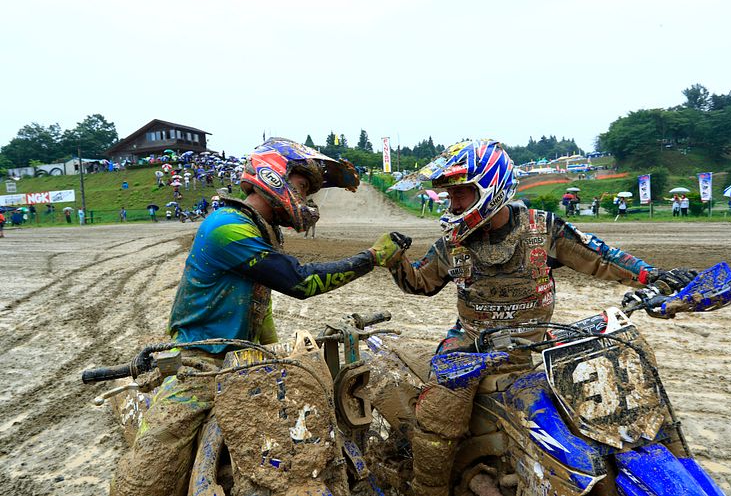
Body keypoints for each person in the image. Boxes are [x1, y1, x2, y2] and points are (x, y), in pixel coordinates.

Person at [381, 140, 698, 496]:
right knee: (440, 410)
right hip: (470, 342)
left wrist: (651, 276)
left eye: (461, 194)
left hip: (537, 342)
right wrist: (396, 261)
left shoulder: (542, 229)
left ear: (491, 185)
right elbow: (421, 283)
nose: (453, 204)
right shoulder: (452, 242)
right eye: (450, 195)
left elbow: (600, 256)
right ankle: (428, 489)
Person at [110, 138, 405, 496]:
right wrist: (370, 258)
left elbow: (258, 306)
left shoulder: (262, 229)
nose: (306, 199)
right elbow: (300, 281)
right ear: (274, 176)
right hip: (200, 361)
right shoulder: (227, 227)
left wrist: (272, 353)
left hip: (245, 360)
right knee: (147, 475)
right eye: (301, 187)